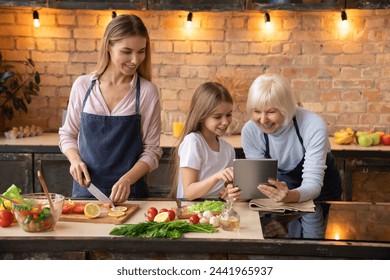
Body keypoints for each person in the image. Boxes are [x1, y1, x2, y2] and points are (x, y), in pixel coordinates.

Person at [59, 14, 162, 203]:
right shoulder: (83, 86)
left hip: (132, 195)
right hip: (86, 193)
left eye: (141, 51)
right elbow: (68, 134)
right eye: (127, 51)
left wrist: (127, 180)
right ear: (108, 46)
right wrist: (75, 160)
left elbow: (152, 150)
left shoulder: (147, 92)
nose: (135, 59)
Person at [241, 73, 342, 238]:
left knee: (315, 247)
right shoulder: (250, 131)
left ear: (286, 107)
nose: (263, 120)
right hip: (280, 196)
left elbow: (313, 185)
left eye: (271, 112)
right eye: (257, 111)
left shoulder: (313, 125)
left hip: (322, 195)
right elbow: (259, 184)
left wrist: (290, 196)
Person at [171, 82, 241, 201]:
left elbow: (227, 186)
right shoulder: (193, 142)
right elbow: (189, 193)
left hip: (216, 211)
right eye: (217, 117)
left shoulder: (228, 149)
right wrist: (216, 177)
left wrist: (229, 191)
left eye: (228, 114)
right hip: (191, 212)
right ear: (201, 116)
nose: (225, 122)